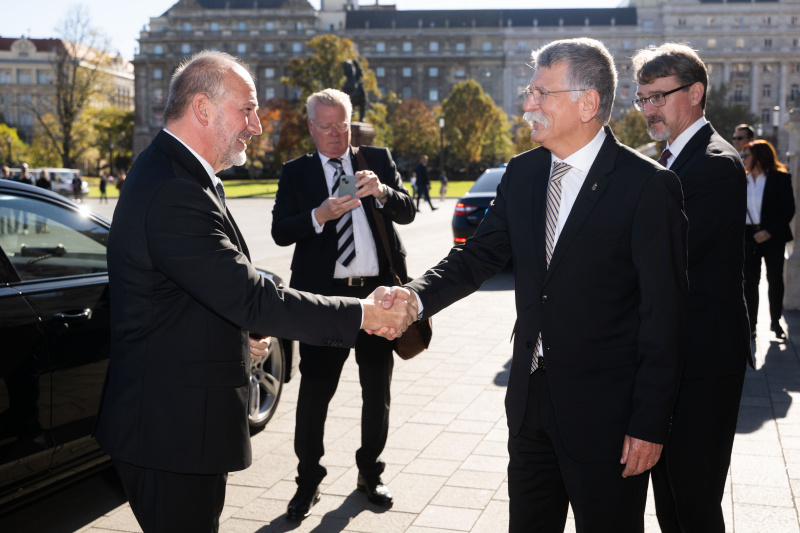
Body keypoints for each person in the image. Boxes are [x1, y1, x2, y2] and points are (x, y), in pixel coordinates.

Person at [93, 51, 414, 533]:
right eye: (247, 110)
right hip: (170, 433)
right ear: (203, 109)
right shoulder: (174, 188)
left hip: (176, 426)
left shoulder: (182, 174)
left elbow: (193, 289)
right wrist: (363, 315)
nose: (257, 126)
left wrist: (235, 335)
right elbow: (249, 295)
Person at [378, 37, 688, 533]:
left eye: (541, 93)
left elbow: (664, 315)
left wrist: (649, 424)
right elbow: (477, 256)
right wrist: (414, 297)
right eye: (529, 91)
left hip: (606, 417)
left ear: (587, 102)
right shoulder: (522, 174)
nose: (527, 104)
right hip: (530, 406)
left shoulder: (647, 186)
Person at [272, 88, 416, 520]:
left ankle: (370, 473)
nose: (336, 135)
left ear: (351, 124)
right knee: (315, 393)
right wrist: (319, 215)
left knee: (377, 391)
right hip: (324, 300)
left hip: (375, 296)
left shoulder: (376, 159)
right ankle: (308, 480)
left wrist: (384, 192)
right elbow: (281, 231)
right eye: (326, 126)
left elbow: (407, 212)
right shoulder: (296, 172)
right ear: (311, 127)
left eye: (343, 125)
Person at [631, 42, 753, 533]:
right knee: (671, 504)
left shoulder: (716, 164)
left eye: (659, 97)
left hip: (702, 364)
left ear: (696, 92)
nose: (648, 110)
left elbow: (671, 259)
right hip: (674, 359)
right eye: (643, 99)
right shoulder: (672, 160)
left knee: (694, 503)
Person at [742, 139, 794, 339]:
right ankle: (751, 326)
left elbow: (788, 209)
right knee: (749, 282)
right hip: (748, 236)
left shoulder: (780, 179)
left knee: (774, 279)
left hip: (773, 236)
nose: (743, 159)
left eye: (746, 155)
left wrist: (769, 232)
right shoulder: (741, 179)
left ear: (759, 157)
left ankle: (775, 322)